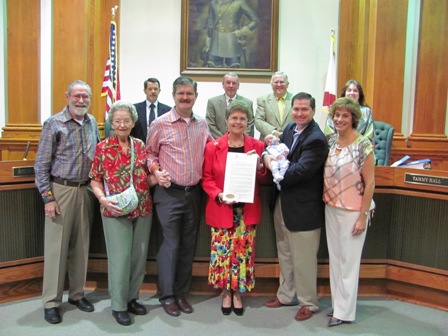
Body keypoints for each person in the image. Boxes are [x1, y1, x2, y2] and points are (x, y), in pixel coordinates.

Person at [146, 76, 213, 317]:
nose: (185, 98)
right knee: (169, 247)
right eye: (181, 94)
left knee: (187, 247)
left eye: (189, 94)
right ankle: (167, 295)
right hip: (168, 194)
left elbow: (214, 151)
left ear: (196, 96)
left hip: (194, 195)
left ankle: (182, 293)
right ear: (173, 96)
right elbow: (149, 154)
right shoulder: (160, 124)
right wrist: (155, 171)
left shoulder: (202, 124)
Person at [34, 80, 100, 324]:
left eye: (85, 96)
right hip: (60, 190)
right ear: (67, 96)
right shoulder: (54, 123)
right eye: (77, 96)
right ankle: (51, 301)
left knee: (82, 246)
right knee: (56, 249)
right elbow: (41, 165)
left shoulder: (92, 122)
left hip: (86, 191)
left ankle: (77, 294)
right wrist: (48, 198)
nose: (81, 100)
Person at [263, 92, 328, 322]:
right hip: (283, 202)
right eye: (296, 109)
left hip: (303, 209)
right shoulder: (291, 129)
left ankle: (308, 303)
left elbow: (299, 172)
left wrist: (271, 166)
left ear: (313, 111)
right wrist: (267, 156)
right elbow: (276, 152)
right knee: (285, 253)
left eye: (305, 110)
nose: (299, 113)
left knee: (304, 259)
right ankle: (286, 294)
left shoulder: (316, 139)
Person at [89, 101, 155, 326]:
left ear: (133, 122)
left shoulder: (140, 145)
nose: (122, 124)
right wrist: (102, 199)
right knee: (120, 259)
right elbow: (95, 178)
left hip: (143, 207)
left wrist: (160, 178)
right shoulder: (103, 148)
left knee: (138, 258)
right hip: (114, 210)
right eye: (117, 121)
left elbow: (146, 177)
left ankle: (132, 298)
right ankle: (118, 305)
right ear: (111, 123)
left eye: (126, 120)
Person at [202, 101, 269, 316]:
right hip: (222, 208)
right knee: (222, 255)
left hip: (245, 211)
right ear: (227, 121)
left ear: (248, 122)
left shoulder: (257, 146)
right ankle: (225, 292)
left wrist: (259, 167)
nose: (238, 122)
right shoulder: (213, 146)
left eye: (242, 119)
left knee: (242, 255)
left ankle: (238, 293)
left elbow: (263, 177)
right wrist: (219, 194)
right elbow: (207, 178)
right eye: (234, 118)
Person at [323, 97, 375, 327]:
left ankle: (345, 312)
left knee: (349, 263)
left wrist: (363, 215)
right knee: (335, 260)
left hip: (354, 211)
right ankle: (338, 305)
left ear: (353, 118)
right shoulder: (331, 141)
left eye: (345, 115)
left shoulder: (363, 145)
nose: (339, 119)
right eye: (336, 115)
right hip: (331, 208)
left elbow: (371, 183)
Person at [204, 0, 259, 68]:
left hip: (231, 40)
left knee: (233, 70)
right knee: (213, 70)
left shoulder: (239, 2)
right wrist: (208, 41)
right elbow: (210, 21)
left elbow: (255, 21)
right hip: (216, 41)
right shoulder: (214, 2)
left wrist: (241, 32)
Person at [206, 72, 254, 138]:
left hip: (241, 143)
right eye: (228, 83)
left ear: (238, 86)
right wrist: (225, 140)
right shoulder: (212, 102)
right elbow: (210, 125)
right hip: (219, 143)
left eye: (234, 83)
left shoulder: (248, 103)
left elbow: (249, 125)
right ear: (223, 85)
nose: (231, 86)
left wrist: (238, 138)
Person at [254, 71, 294, 140]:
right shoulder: (263, 100)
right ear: (271, 84)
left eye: (282, 82)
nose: (279, 85)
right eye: (276, 82)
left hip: (290, 140)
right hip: (268, 141)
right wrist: (274, 132)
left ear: (287, 84)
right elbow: (258, 121)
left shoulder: (295, 100)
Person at [131, 77, 171, 143]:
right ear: (145, 91)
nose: (153, 91)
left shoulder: (167, 110)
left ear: (159, 91)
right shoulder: (134, 108)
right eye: (150, 89)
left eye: (155, 89)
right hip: (140, 148)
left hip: (160, 148)